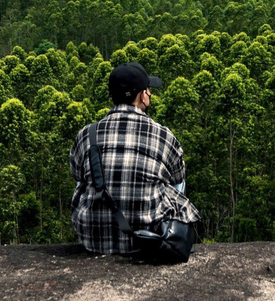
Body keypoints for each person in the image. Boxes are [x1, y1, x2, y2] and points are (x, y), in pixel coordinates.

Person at [70, 62, 201, 254]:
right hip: (149, 241)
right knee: (175, 185)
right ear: (142, 95)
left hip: (93, 241)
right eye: (148, 90)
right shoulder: (163, 135)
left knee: (85, 180)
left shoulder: (86, 135)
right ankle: (167, 231)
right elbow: (178, 182)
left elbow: (77, 177)